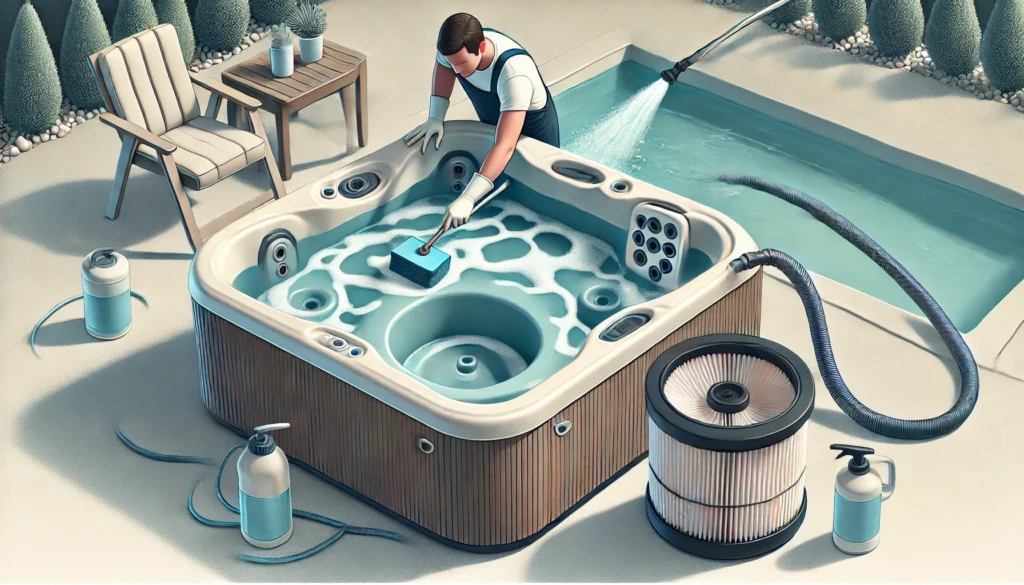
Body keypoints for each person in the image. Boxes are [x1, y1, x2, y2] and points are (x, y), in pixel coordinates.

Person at [403, 13, 560, 229]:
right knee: (499, 186)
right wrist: (436, 117)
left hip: (534, 129)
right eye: (452, 62)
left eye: (461, 63)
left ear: (482, 47)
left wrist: (468, 199)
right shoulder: (456, 49)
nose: (457, 70)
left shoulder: (515, 75)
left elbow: (506, 145)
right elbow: (444, 66)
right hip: (496, 121)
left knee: (540, 195)